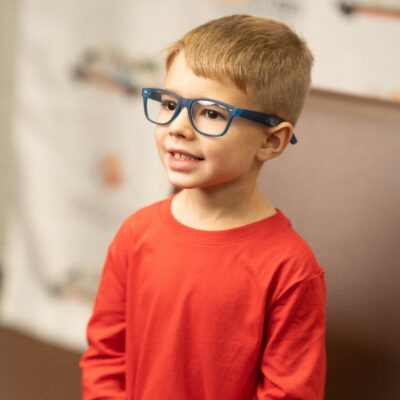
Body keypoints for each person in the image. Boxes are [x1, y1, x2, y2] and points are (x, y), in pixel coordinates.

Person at [80, 14, 326, 400]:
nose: (178, 126)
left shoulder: (290, 268)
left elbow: (289, 392)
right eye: (170, 103)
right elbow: (106, 358)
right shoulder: (136, 233)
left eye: (211, 113)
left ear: (271, 142)